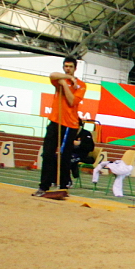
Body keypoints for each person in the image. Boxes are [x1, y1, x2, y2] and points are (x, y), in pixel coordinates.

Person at [32, 56, 86, 196]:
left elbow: (72, 101)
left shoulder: (81, 85)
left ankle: (63, 185)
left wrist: (65, 85)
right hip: (55, 121)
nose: (68, 69)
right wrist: (65, 79)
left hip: (69, 124)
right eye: (66, 66)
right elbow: (52, 75)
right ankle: (44, 186)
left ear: (75, 68)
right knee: (47, 154)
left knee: (64, 156)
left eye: (70, 67)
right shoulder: (60, 79)